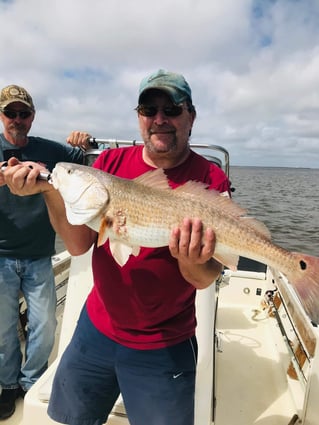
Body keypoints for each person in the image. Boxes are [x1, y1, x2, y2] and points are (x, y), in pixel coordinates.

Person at [3, 70, 231, 425]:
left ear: (191, 116)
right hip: (96, 328)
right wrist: (49, 191)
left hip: (165, 342)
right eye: (148, 109)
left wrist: (191, 261)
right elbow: (79, 246)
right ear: (138, 116)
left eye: (171, 109)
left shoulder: (211, 180)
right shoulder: (110, 165)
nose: (159, 119)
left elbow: (203, 279)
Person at [0, 84, 87, 420]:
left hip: (40, 255)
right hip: (1, 255)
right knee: (4, 329)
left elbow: (88, 160)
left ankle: (31, 381)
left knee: (45, 324)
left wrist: (83, 140)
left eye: (24, 113)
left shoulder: (50, 151)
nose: (17, 119)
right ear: (2, 116)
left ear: (33, 117)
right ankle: (8, 385)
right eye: (11, 113)